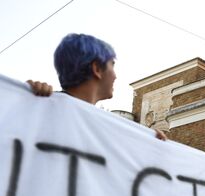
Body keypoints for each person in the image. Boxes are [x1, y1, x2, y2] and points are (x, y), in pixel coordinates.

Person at [27, 33, 166, 140]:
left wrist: (150, 144)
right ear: (97, 69)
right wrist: (25, 98)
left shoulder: (108, 129)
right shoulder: (40, 105)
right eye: (112, 65)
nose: (115, 76)